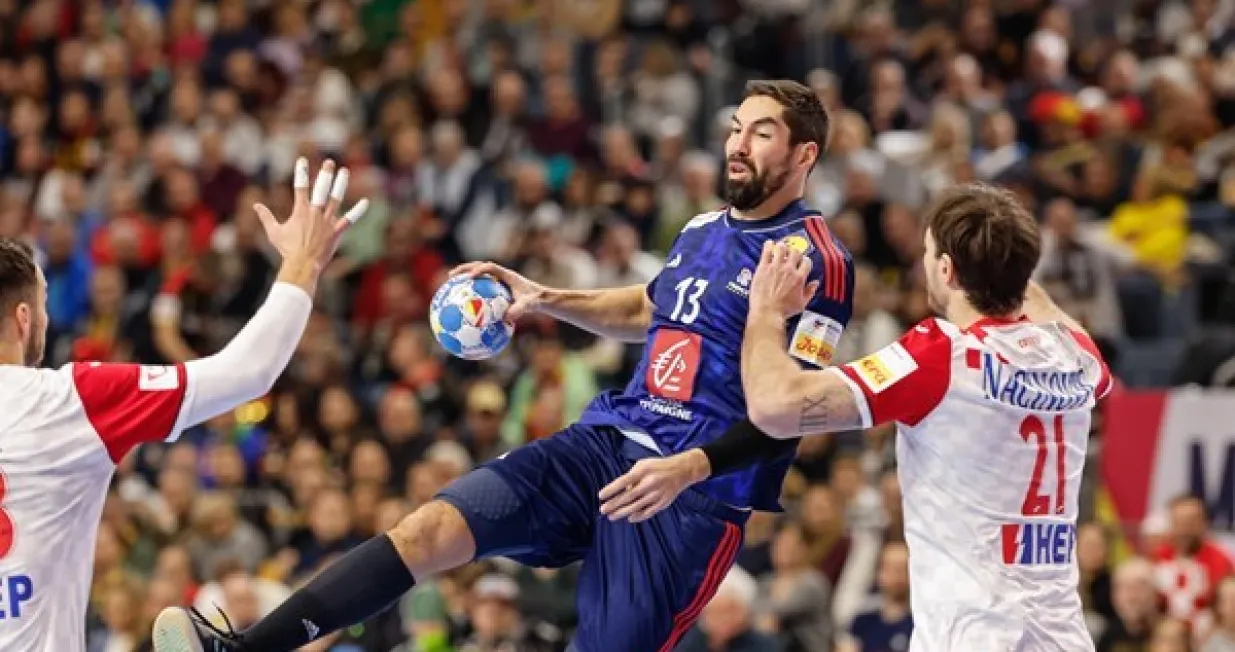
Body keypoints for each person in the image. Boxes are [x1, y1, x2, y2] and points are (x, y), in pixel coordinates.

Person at [152, 79, 855, 652]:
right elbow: (650, 309)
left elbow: (794, 409)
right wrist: (544, 299)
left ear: (803, 156)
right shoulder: (702, 229)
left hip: (687, 494)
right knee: (426, 532)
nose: (736, 144)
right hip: (608, 442)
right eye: (735, 127)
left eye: (759, 133)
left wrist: (689, 467)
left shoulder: (817, 262)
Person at [600, 183, 1112, 651]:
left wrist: (766, 312)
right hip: (1061, 635)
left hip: (975, 634)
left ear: (947, 270)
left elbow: (776, 407)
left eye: (930, 254)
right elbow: (1034, 302)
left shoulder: (941, 356)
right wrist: (999, 240)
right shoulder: (1075, 353)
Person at [0, 157, 367, 652]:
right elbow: (248, 370)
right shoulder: (67, 399)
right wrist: (302, 263)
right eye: (43, 307)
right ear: (24, 319)